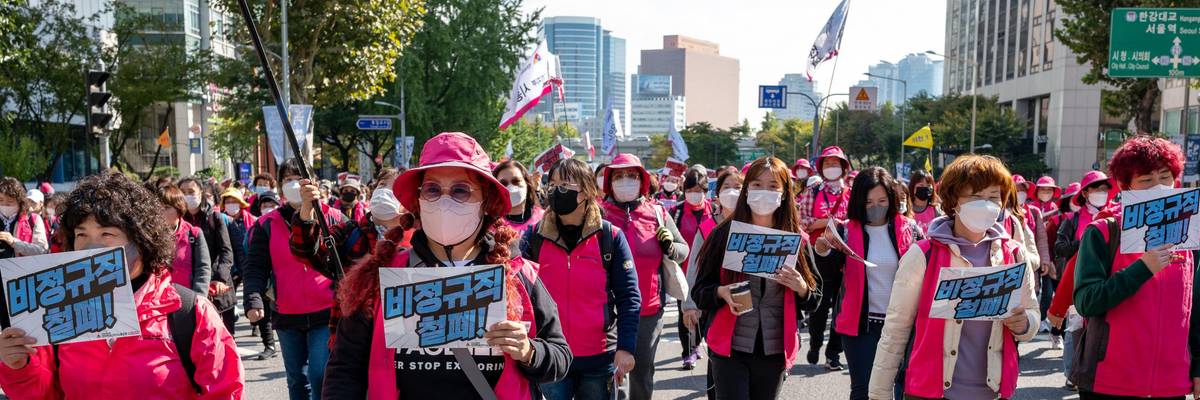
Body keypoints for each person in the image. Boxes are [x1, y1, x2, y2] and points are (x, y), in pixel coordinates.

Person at [322, 132, 572, 399]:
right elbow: (344, 371)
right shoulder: (381, 277)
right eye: (432, 189)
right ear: (418, 200)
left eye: (460, 190)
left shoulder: (516, 275)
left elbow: (560, 356)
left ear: (486, 202)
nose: (444, 200)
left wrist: (529, 351)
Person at [0, 172, 244, 399]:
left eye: (107, 234)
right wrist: (18, 366)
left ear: (141, 240)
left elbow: (225, 391)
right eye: (81, 235)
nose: (91, 247)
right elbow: (43, 393)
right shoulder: (57, 312)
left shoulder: (189, 313)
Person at [868, 154, 1039, 400]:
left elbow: (1032, 311)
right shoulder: (923, 255)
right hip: (929, 392)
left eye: (994, 197)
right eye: (976, 196)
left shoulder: (1014, 254)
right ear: (954, 199)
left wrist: (1025, 324)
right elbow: (896, 329)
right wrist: (879, 394)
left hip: (994, 392)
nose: (986, 204)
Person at [1071, 136, 1198, 399]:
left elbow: (1194, 309)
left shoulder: (1189, 234)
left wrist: (1197, 364)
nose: (1159, 187)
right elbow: (1086, 301)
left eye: (1165, 177)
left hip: (1171, 383)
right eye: (1146, 180)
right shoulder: (1103, 231)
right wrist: (1142, 268)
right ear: (1124, 185)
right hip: (1109, 382)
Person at [692, 157, 823, 400]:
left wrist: (802, 288)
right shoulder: (723, 234)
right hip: (729, 349)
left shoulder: (798, 241)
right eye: (757, 185)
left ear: (784, 193)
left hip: (775, 350)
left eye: (773, 186)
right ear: (746, 190)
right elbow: (700, 291)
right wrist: (721, 292)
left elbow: (815, 298)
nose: (764, 192)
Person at [519, 157, 640, 400]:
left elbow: (629, 297)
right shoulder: (534, 237)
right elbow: (520, 295)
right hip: (550, 357)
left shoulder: (610, 237)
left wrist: (626, 347)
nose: (555, 191)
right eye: (552, 185)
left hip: (599, 357)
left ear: (586, 191)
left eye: (564, 185)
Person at [243, 158, 347, 400]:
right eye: (287, 180)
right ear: (280, 186)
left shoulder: (334, 218)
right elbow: (255, 267)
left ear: (313, 182)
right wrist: (253, 299)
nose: (293, 184)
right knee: (297, 381)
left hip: (326, 312)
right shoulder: (266, 224)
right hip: (287, 315)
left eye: (298, 178)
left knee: (320, 374)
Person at [813, 167, 918, 400]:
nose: (876, 207)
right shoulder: (844, 231)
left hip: (902, 324)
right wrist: (822, 252)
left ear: (892, 199)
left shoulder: (910, 229)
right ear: (859, 201)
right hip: (861, 327)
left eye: (882, 201)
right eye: (869, 202)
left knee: (902, 388)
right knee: (864, 390)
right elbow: (828, 275)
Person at [601, 153, 690, 400]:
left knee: (642, 373)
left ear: (642, 180)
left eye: (631, 175)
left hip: (648, 310)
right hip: (607, 310)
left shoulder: (658, 213)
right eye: (619, 176)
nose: (625, 180)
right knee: (612, 375)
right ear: (609, 182)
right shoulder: (598, 214)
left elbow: (683, 250)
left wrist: (670, 246)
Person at [682, 168, 743, 400]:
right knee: (718, 365)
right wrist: (689, 305)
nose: (732, 192)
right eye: (727, 187)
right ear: (717, 194)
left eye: (738, 187)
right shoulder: (708, 227)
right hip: (715, 305)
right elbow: (694, 269)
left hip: (751, 310)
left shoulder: (758, 224)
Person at [797, 145, 852, 370]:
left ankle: (833, 354)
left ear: (843, 167)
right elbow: (803, 221)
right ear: (821, 168)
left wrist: (842, 224)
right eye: (827, 163)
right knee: (819, 305)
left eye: (835, 163)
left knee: (842, 305)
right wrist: (828, 222)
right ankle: (815, 343)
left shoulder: (851, 193)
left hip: (846, 255)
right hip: (818, 255)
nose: (831, 167)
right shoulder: (813, 192)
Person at [672, 167, 716, 371]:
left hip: (707, 271)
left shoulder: (714, 210)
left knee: (705, 312)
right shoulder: (676, 212)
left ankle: (697, 343)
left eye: (698, 190)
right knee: (685, 310)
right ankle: (687, 351)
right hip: (683, 271)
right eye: (690, 190)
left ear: (705, 190)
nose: (694, 194)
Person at [177, 177, 235, 302]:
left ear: (201, 193)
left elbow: (226, 251)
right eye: (182, 192)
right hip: (188, 288)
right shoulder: (176, 220)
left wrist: (220, 278)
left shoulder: (214, 217)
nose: (187, 196)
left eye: (191, 192)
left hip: (216, 285)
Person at [156, 185, 214, 294]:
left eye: (166, 208)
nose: (160, 212)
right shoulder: (150, 235)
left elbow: (203, 269)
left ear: (179, 208)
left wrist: (199, 297)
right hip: (159, 300)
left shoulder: (194, 234)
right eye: (158, 207)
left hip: (188, 298)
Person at [0, 177, 48, 260]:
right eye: (0, 200)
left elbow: (42, 250)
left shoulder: (33, 219)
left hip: (23, 267)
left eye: (10, 201)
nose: (5, 204)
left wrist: (14, 242)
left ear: (20, 202)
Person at [494, 160, 544, 234]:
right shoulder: (491, 227)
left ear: (527, 183)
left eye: (516, 181)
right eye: (503, 184)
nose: (511, 187)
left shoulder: (544, 219)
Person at [907, 169, 940, 235]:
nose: (925, 188)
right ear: (913, 188)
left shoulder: (937, 210)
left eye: (928, 185)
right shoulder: (906, 210)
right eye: (921, 185)